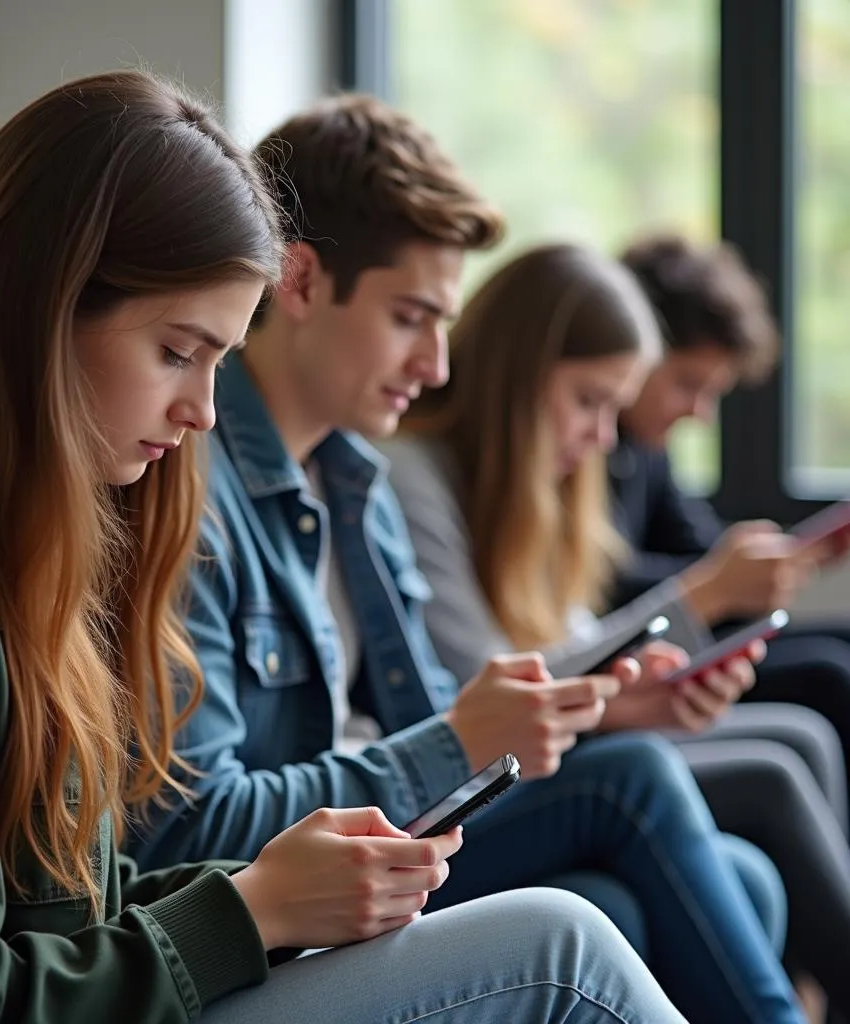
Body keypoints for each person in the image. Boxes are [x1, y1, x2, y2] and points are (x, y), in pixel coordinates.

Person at [0, 70, 693, 1024]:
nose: (201, 411)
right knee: (561, 948)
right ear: (45, 308)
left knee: (586, 919)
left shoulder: (33, 545)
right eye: (176, 351)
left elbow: (78, 909)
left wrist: (272, 894)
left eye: (218, 361)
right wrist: (253, 907)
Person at [128, 94, 806, 1023]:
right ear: (301, 283)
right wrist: (463, 741)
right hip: (286, 897)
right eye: (412, 318)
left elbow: (421, 728)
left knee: (716, 873)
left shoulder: (355, 485)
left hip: (379, 848)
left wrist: (604, 708)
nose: (439, 364)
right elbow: (196, 830)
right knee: (646, 814)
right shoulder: (185, 494)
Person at [383, 241, 850, 1016]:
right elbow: (487, 692)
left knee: (775, 769)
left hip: (529, 760)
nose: (607, 437)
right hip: (475, 782)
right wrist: (694, 605)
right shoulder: (411, 478)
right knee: (717, 771)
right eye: (590, 401)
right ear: (519, 377)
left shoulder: (539, 489)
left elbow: (566, 648)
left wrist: (646, 694)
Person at [613, 232, 850, 814]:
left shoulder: (646, 450)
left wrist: (760, 562)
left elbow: (695, 544)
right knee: (827, 676)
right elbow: (595, 585)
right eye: (688, 385)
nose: (698, 413)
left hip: (668, 638)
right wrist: (715, 585)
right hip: (631, 658)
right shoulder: (582, 443)